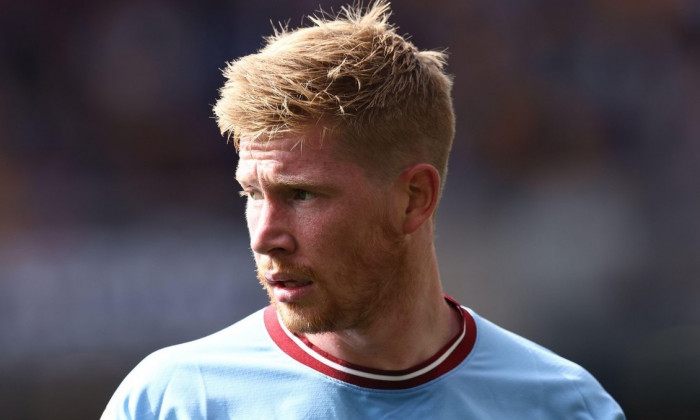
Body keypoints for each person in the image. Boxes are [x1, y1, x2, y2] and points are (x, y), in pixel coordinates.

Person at [102, 2, 625, 418]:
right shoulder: (174, 401)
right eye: (252, 195)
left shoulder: (563, 407)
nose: (264, 236)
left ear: (414, 198)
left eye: (301, 195)